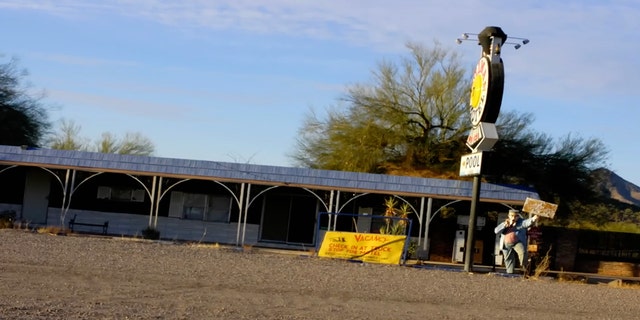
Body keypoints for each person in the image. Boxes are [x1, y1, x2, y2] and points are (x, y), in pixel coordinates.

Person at [494, 209, 538, 274]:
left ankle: (524, 267)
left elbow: (526, 223)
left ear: (518, 216)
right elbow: (496, 231)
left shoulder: (521, 222)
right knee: (508, 259)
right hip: (506, 243)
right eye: (512, 216)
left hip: (517, 241)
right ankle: (510, 273)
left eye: (516, 216)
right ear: (509, 216)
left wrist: (533, 219)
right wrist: (505, 225)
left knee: (522, 252)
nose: (514, 218)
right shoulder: (505, 223)